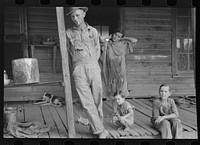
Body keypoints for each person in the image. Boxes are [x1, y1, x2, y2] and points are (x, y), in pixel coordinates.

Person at [65, 7, 108, 138]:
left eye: (78, 15)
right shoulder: (68, 33)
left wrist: (92, 63)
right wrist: (74, 68)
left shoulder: (93, 31)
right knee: (86, 101)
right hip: (78, 68)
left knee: (97, 100)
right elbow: (67, 53)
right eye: (73, 17)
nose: (75, 19)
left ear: (84, 14)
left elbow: (97, 49)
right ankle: (101, 131)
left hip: (93, 66)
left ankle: (95, 128)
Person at [99, 30, 137, 114]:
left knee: (121, 91)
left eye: (119, 36)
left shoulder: (123, 45)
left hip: (121, 72)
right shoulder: (108, 45)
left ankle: (123, 110)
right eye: (115, 35)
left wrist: (124, 38)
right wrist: (109, 37)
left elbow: (134, 41)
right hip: (111, 72)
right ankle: (115, 111)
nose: (116, 37)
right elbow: (101, 39)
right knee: (113, 92)